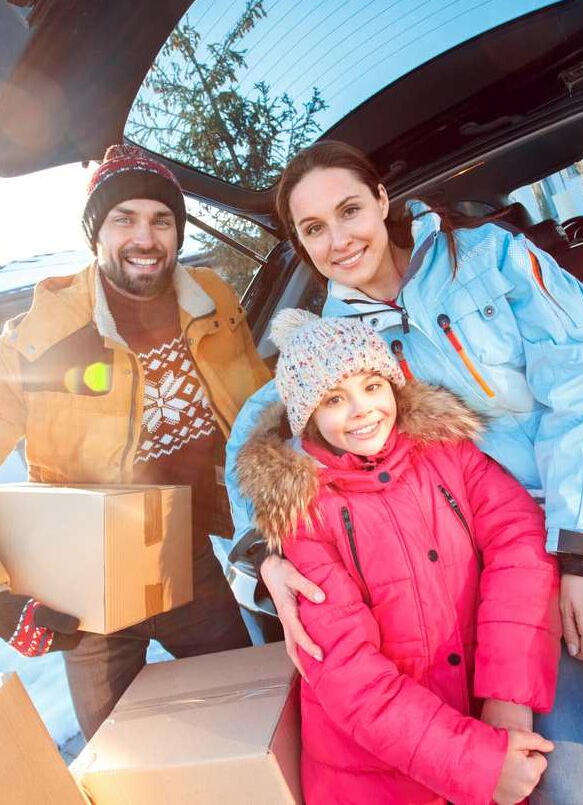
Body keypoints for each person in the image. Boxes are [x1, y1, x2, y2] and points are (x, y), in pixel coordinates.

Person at [225, 141, 583, 803]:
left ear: (382, 201)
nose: (338, 239)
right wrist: (263, 554)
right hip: (516, 546)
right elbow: (261, 434)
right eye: (314, 229)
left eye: (349, 210)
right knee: (562, 785)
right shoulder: (334, 343)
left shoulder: (488, 258)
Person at [0, 144, 271, 739]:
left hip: (188, 554)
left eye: (161, 220)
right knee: (114, 749)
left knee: (253, 714)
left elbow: (261, 406)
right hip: (83, 581)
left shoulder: (214, 302)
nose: (145, 238)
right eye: (123, 219)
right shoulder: (40, 338)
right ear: (95, 235)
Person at [236, 307, 559, 805]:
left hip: (483, 726)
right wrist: (475, 760)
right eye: (334, 399)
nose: (362, 409)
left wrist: (508, 696)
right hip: (375, 776)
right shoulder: (303, 515)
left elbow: (518, 542)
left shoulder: (448, 453)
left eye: (372, 385)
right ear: (308, 418)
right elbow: (349, 674)